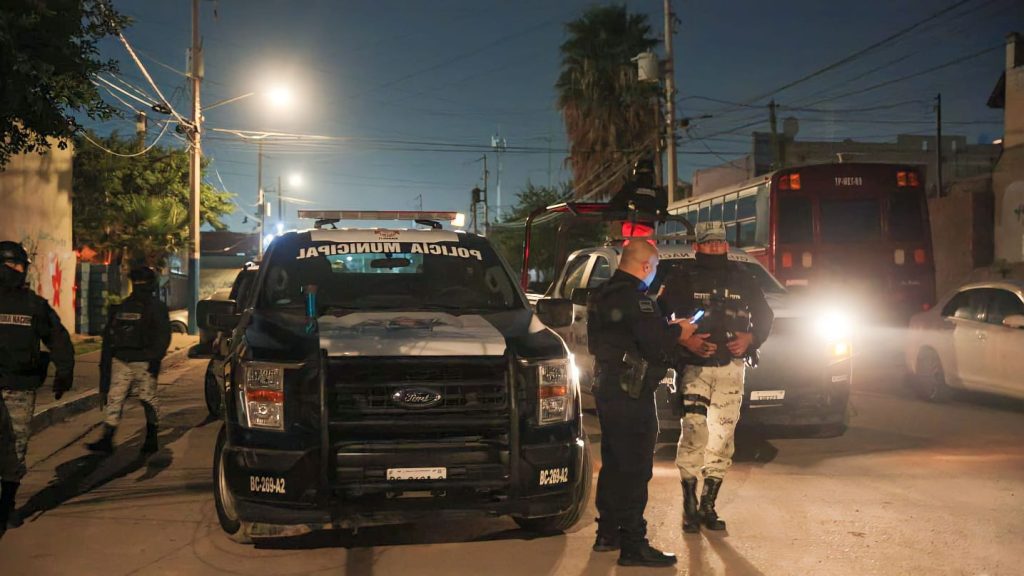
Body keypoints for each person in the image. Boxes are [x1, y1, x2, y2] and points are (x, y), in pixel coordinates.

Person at [586, 239, 696, 568]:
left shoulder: (601, 294)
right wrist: (681, 332)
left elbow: (619, 335)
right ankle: (634, 545)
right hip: (632, 393)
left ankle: (607, 534)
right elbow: (656, 344)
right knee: (635, 469)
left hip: (607, 388)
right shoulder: (636, 300)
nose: (654, 274)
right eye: (655, 268)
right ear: (646, 266)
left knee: (614, 462)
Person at [660, 221, 773, 533]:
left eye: (719, 244)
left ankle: (708, 506)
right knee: (694, 431)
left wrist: (752, 340)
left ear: (726, 246)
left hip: (731, 369)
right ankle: (689, 505)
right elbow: (659, 315)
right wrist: (684, 339)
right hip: (694, 368)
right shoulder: (681, 278)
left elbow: (765, 316)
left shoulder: (744, 278)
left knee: (722, 438)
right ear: (697, 246)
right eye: (708, 244)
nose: (714, 248)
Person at [0, 241, 74, 531]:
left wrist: (64, 371)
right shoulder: (31, 304)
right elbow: (58, 339)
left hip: (20, 387)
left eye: (21, 266)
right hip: (17, 386)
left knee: (14, 450)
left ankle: (6, 508)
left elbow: (58, 338)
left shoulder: (34, 305)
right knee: (12, 450)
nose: (19, 270)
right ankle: (6, 507)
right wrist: (63, 372)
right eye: (15, 265)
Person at [87, 266, 171, 454]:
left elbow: (163, 337)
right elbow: (109, 339)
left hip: (144, 362)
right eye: (138, 281)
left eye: (143, 281)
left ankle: (151, 436)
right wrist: (104, 376)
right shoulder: (123, 307)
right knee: (115, 398)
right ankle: (107, 438)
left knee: (147, 399)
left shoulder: (156, 307)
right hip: (123, 360)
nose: (140, 285)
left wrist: (153, 359)